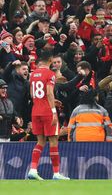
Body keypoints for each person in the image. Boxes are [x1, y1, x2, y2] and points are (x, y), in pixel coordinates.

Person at [27, 51, 69, 180]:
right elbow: (50, 93)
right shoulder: (50, 74)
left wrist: (44, 101)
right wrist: (54, 111)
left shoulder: (33, 74)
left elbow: (32, 94)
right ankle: (56, 173)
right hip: (47, 112)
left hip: (36, 111)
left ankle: (33, 170)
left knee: (40, 141)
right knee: (53, 141)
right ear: (50, 60)